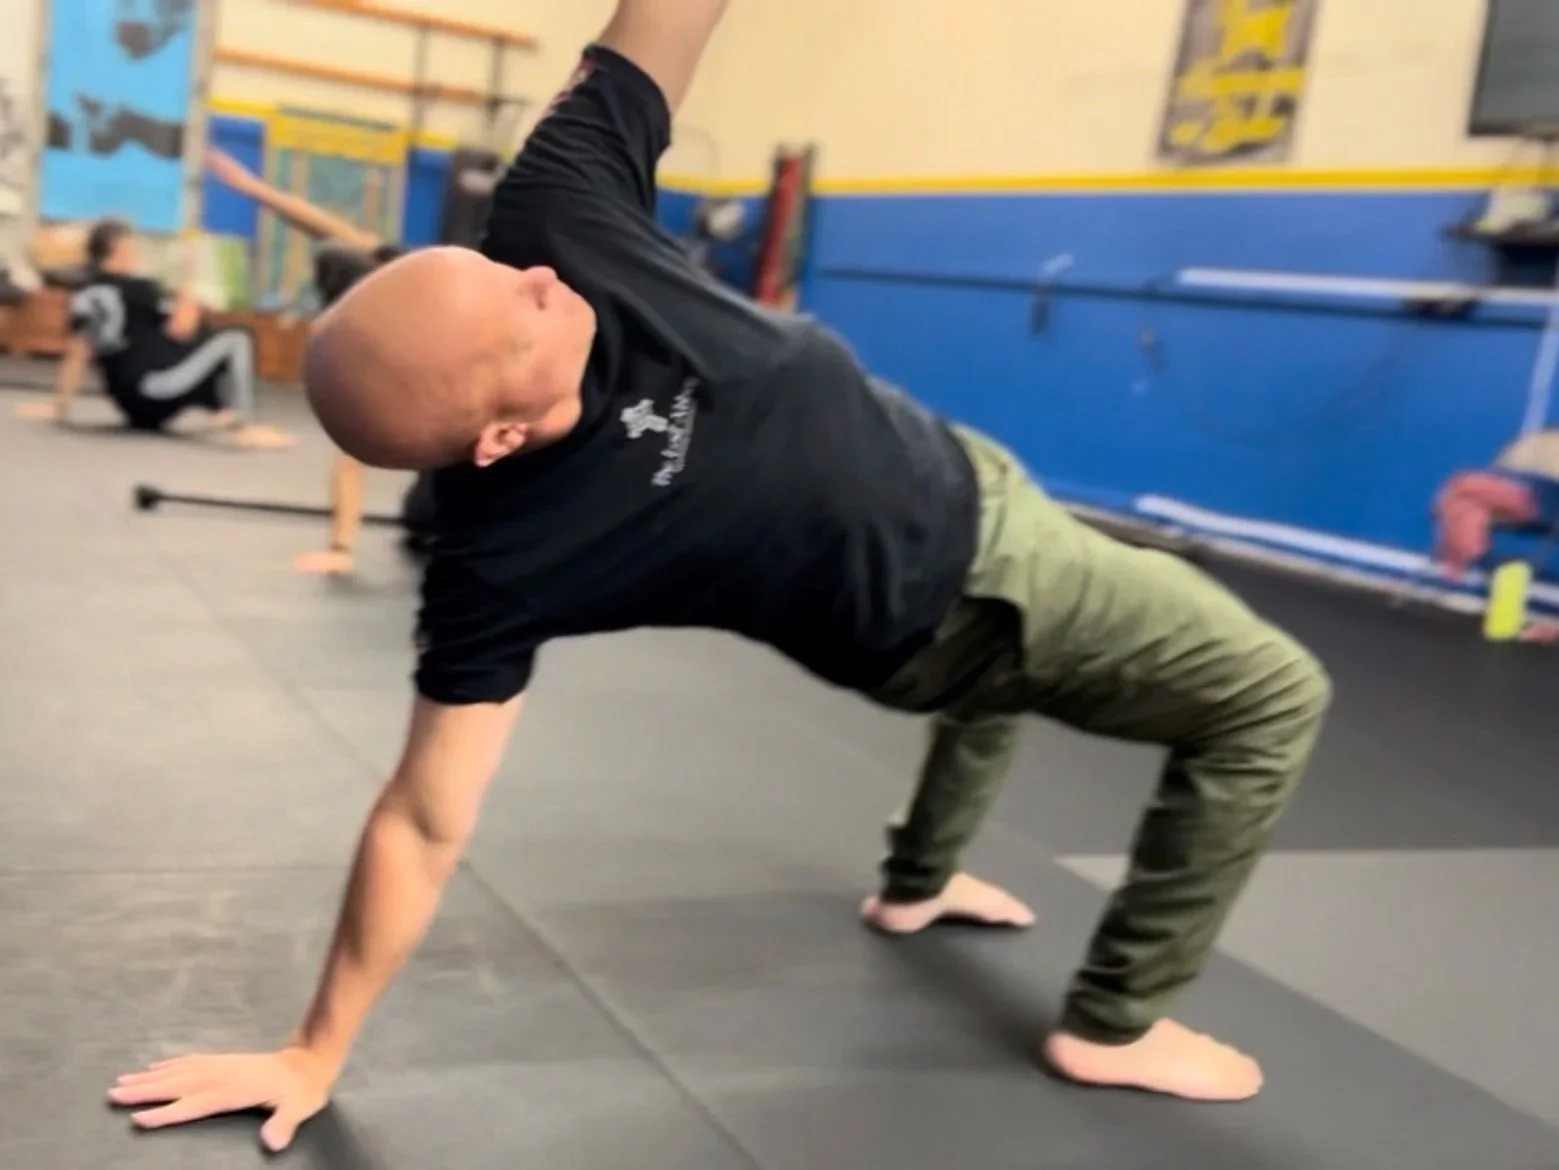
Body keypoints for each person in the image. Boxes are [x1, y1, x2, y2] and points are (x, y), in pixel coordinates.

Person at [109, 1, 1331, 1151]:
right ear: (493, 439)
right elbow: (424, 819)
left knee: (1011, 683)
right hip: (958, 595)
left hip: (946, 471)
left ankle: (915, 884)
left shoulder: (551, 218)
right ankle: (1113, 1022)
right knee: (1272, 695)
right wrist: (313, 1051)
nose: (538, 278)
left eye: (501, 267)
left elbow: (669, 20)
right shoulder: (506, 558)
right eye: (517, 315)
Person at [203, 147, 436, 573]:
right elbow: (329, 227)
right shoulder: (407, 279)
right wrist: (253, 188)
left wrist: (341, 549)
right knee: (426, 518)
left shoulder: (388, 331)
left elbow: (350, 460)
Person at [15, 217, 292, 448]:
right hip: (156, 390)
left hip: (129, 404)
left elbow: (78, 352)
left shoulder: (85, 293)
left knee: (201, 340)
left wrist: (58, 407)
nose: (136, 252)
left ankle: (221, 410)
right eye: (132, 246)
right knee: (237, 338)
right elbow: (182, 329)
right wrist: (189, 274)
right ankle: (247, 426)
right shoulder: (139, 287)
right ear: (118, 248)